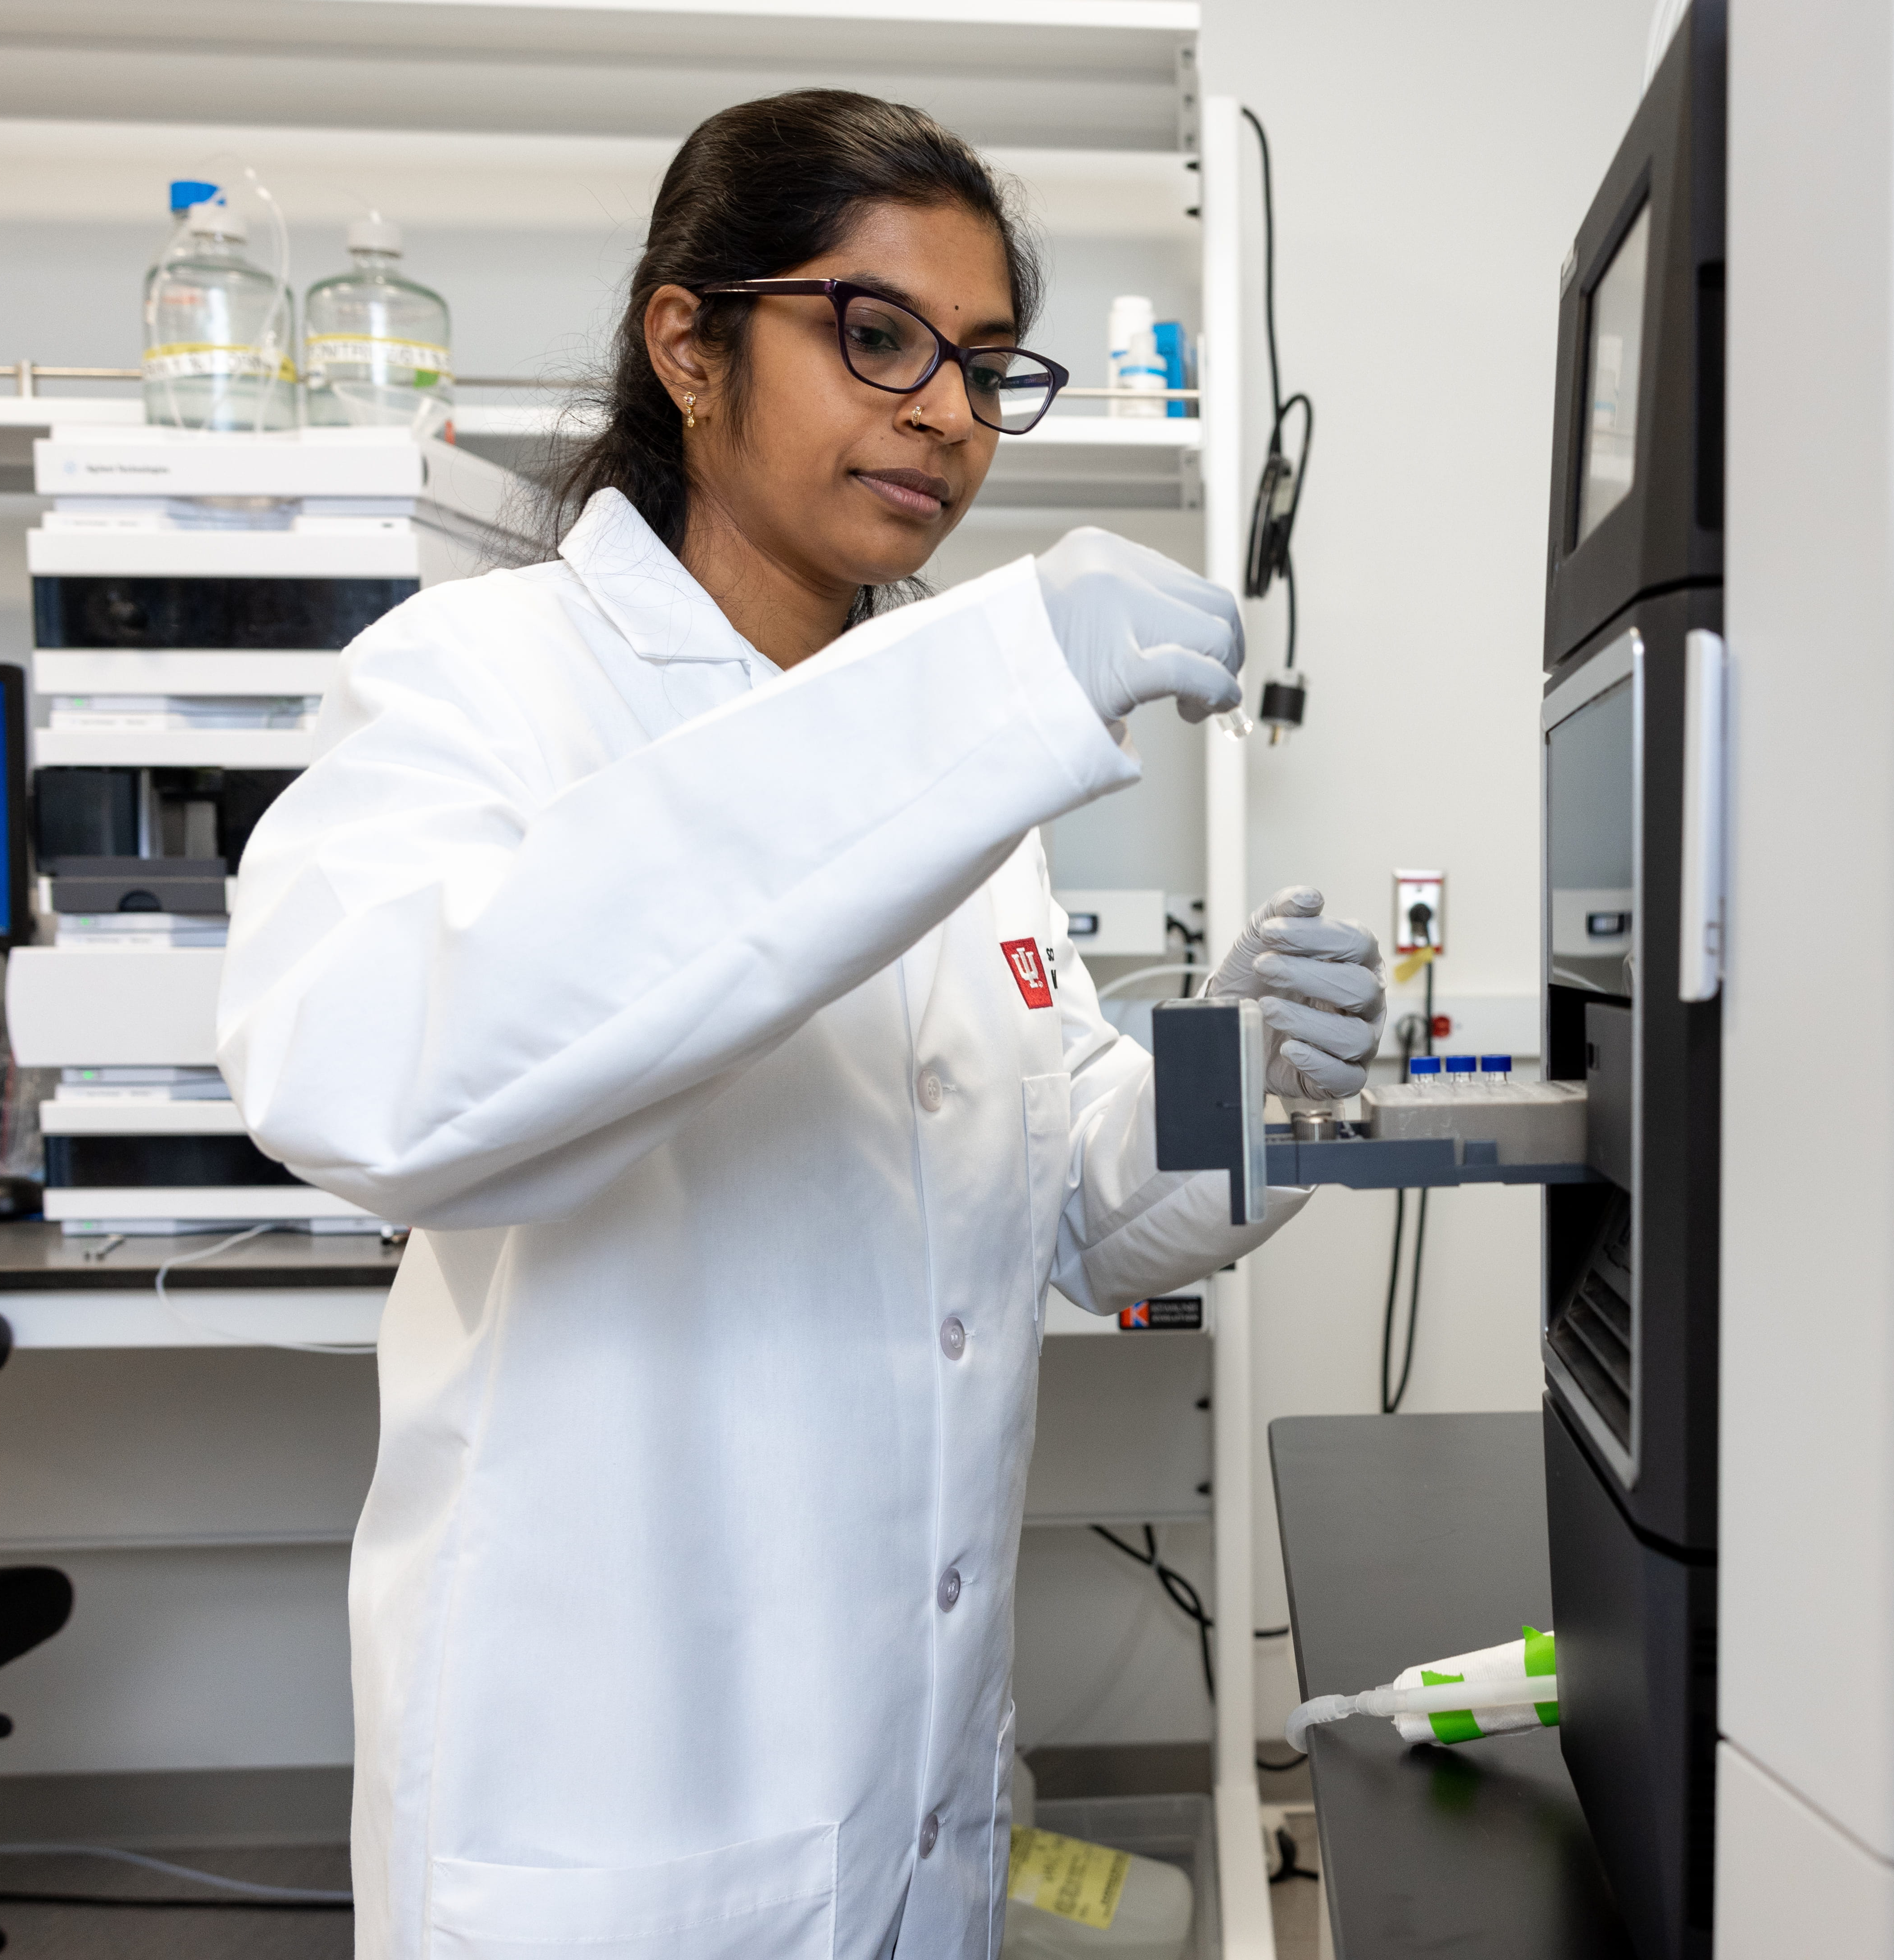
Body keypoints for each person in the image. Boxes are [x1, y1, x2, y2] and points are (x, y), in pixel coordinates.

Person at [214, 90, 1383, 1960]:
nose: (945, 411)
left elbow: (1070, 1192)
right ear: (689, 342)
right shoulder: (482, 684)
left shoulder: (942, 779)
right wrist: (970, 702)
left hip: (914, 1799)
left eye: (990, 367)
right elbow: (370, 1077)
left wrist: (1219, 1075)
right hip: (619, 1832)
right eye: (878, 335)